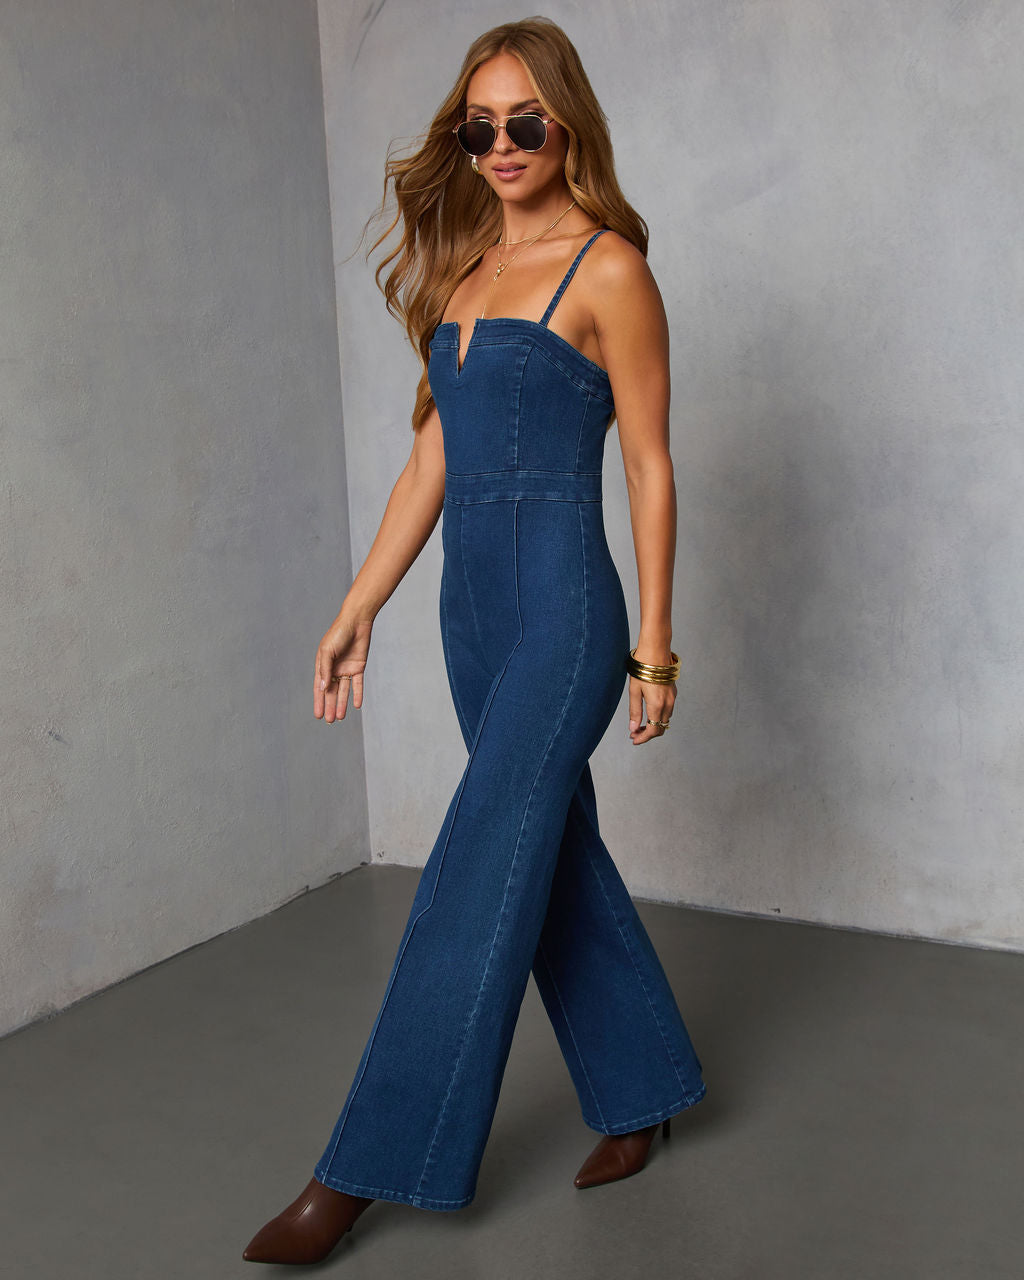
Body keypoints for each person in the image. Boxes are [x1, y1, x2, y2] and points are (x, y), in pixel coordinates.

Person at [242, 16, 706, 1266]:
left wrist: (655, 644)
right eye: (478, 126)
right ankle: (645, 1083)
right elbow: (426, 469)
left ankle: (359, 1169)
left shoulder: (608, 270)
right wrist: (358, 606)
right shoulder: (463, 271)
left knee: (475, 866)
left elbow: (650, 467)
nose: (502, 145)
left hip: (564, 610)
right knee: (543, 850)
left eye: (525, 123)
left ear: (567, 126)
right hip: (470, 616)